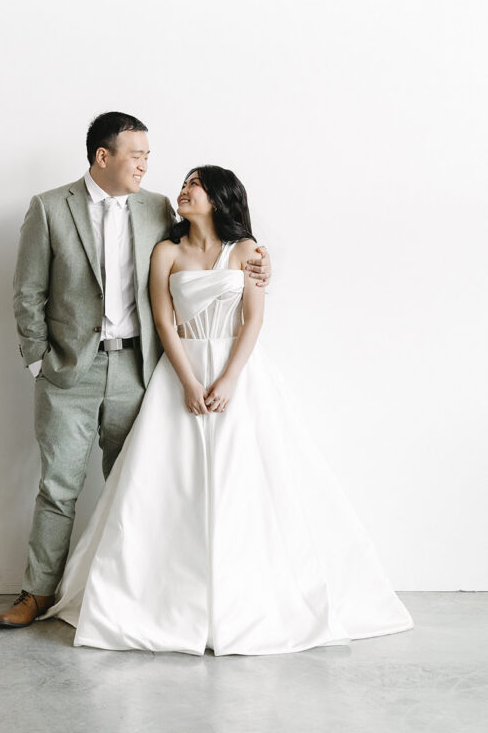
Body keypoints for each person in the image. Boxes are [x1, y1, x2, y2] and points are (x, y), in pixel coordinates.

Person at [39, 165, 414, 655]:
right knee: (168, 485)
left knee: (247, 482)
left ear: (218, 197)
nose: (183, 188)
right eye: (185, 182)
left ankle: (250, 597)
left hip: (239, 375)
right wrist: (190, 381)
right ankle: (161, 600)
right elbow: (163, 321)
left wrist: (229, 378)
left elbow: (254, 319)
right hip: (181, 373)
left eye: (195, 183)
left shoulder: (248, 252)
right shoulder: (166, 251)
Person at [0, 116, 271, 628]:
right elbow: (27, 291)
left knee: (138, 485)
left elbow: (210, 250)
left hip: (141, 370)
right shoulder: (51, 208)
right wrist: (39, 360)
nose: (146, 163)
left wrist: (261, 261)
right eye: (136, 154)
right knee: (58, 487)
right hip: (68, 373)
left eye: (148, 155)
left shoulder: (159, 208)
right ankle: (36, 593)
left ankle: (137, 594)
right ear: (104, 157)